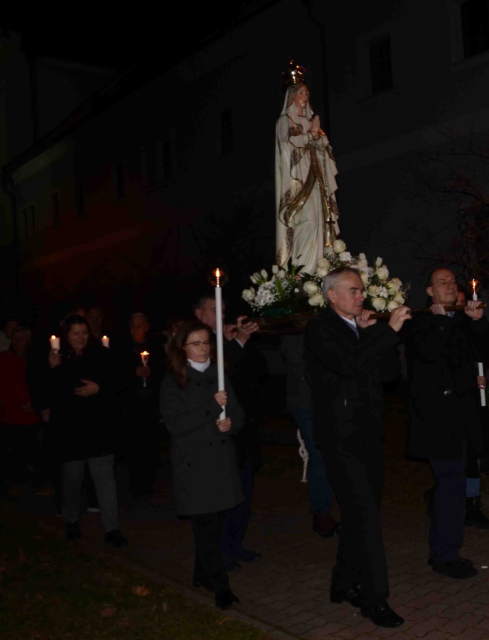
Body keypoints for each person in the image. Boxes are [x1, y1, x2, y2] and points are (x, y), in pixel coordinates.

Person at [305, 266, 411, 628]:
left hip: (369, 436)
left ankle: (342, 582)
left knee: (358, 515)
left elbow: (388, 376)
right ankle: (374, 598)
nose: (361, 296)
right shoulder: (321, 329)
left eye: (362, 290)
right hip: (341, 439)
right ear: (332, 295)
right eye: (353, 290)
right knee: (365, 518)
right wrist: (388, 331)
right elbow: (349, 365)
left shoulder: (360, 329)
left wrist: (374, 335)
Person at [405, 268, 489, 579]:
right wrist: (442, 320)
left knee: (453, 484)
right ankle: (444, 555)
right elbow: (428, 355)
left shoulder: (462, 320)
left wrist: (478, 322)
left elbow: (486, 352)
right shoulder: (420, 323)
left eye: (451, 282)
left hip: (463, 418)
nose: (448, 286)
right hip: (436, 420)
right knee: (452, 485)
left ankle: (445, 548)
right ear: (429, 291)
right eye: (440, 283)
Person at [160, 321, 244, 610]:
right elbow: (175, 425)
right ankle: (221, 588)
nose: (203, 348)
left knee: (214, 527)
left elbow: (238, 414)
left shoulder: (220, 376)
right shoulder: (173, 381)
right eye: (196, 343)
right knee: (206, 529)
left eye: (206, 342)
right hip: (194, 466)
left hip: (220, 462)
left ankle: (201, 574)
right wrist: (211, 406)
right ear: (182, 349)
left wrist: (230, 424)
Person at [193, 295, 262, 570]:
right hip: (219, 429)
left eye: (222, 308)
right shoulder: (199, 342)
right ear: (199, 314)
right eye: (213, 310)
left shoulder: (229, 337)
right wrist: (236, 343)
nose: (220, 314)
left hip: (243, 425)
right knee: (225, 492)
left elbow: (256, 371)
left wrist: (241, 341)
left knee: (244, 489)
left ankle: (235, 544)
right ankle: (220, 550)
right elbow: (219, 370)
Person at [46, 314, 127, 547]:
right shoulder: (58, 358)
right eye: (75, 333)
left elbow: (119, 382)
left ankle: (112, 528)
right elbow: (51, 391)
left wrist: (99, 388)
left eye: (84, 332)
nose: (80, 337)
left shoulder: (101, 354)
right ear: (67, 335)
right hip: (71, 429)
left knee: (105, 480)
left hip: (99, 427)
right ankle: (71, 521)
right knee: (72, 478)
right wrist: (52, 368)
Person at [275, 67, 340, 275]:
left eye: (307, 93)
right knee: (308, 221)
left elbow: (325, 151)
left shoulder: (312, 123)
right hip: (299, 183)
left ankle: (320, 271)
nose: (305, 97)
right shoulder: (285, 121)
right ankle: (304, 273)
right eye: (301, 92)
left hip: (317, 182)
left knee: (322, 222)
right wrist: (309, 136)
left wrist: (319, 138)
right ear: (292, 96)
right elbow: (285, 146)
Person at [281, 334, 338, 537]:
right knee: (319, 455)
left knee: (334, 456)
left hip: (335, 400)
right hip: (306, 402)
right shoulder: (296, 333)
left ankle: (330, 507)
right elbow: (297, 357)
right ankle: (321, 511)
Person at [455, 285, 489, 529]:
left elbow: (482, 351)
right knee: (455, 459)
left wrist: (476, 376)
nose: (463, 306)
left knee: (474, 455)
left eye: (464, 301)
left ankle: (472, 504)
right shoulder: (442, 326)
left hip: (472, 403)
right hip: (451, 405)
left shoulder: (471, 327)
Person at [0, 326, 41, 491]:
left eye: (23, 338)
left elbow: (43, 384)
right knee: (13, 453)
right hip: (11, 416)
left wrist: (34, 403)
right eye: (16, 338)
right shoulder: (0, 359)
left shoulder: (36, 359)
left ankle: (36, 481)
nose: (19, 342)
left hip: (33, 416)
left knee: (35, 451)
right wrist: (18, 404)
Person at [120, 312, 165, 498]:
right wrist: (133, 373)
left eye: (139, 326)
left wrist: (151, 372)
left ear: (146, 327)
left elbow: (164, 371)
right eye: (132, 326)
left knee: (150, 444)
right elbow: (117, 372)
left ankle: (149, 482)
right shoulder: (123, 348)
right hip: (131, 405)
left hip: (151, 404)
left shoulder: (156, 347)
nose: (135, 330)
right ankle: (135, 482)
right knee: (133, 444)